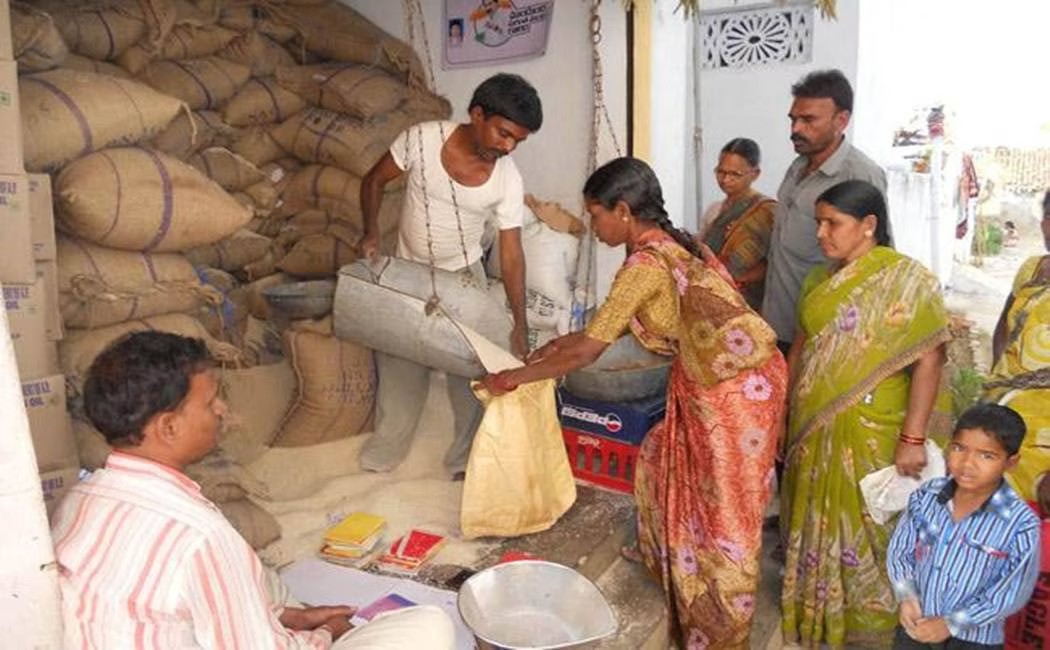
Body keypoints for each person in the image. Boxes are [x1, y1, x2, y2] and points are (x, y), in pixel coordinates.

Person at [481, 157, 787, 648]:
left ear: (622, 211)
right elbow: (604, 327)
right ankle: (673, 559)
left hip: (735, 390)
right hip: (724, 376)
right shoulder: (672, 244)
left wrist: (515, 377)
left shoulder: (646, 264)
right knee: (661, 459)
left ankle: (722, 620)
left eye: (596, 214)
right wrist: (549, 350)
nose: (594, 225)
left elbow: (590, 349)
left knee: (725, 510)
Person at [50, 331, 455, 649]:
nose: (222, 411)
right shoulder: (201, 536)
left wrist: (286, 616)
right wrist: (327, 634)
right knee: (428, 626)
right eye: (210, 404)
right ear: (168, 427)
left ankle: (279, 614)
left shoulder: (79, 499)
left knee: (264, 578)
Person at [781, 180, 953, 648]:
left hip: (875, 431)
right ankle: (819, 615)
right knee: (816, 517)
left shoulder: (907, 279)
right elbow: (802, 345)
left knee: (872, 529)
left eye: (832, 223)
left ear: (868, 225)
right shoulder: (819, 280)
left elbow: (929, 360)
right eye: (818, 221)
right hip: (814, 428)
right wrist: (783, 409)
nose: (821, 233)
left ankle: (873, 630)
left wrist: (913, 438)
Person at [357, 73, 542, 478]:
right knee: (400, 365)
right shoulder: (422, 139)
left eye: (518, 141)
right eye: (503, 133)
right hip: (407, 272)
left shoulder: (507, 177)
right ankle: (384, 455)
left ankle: (462, 461)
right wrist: (371, 230)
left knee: (470, 372)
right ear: (477, 114)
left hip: (464, 276)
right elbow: (373, 180)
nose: (508, 147)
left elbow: (511, 255)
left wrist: (519, 323)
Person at [886, 404, 1040, 649]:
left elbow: (1012, 590)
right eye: (959, 448)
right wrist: (906, 596)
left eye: (986, 455)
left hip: (974, 640)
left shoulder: (1020, 524)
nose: (967, 463)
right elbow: (900, 551)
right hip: (917, 625)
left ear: (1012, 462)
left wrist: (951, 623)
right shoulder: (926, 496)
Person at [762, 69, 888, 354]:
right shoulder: (798, 166)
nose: (796, 129)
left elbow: (874, 261)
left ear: (841, 120)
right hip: (778, 322)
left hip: (823, 333)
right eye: (793, 119)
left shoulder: (859, 174)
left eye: (809, 120)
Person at [985, 189, 1050, 510]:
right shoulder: (1032, 270)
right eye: (1049, 219)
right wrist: (1004, 382)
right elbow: (1003, 330)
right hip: (1008, 416)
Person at [697, 137, 777, 311]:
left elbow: (771, 264)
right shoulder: (715, 209)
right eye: (721, 172)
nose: (725, 180)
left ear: (755, 174)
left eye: (735, 174)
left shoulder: (766, 211)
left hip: (745, 302)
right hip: (710, 294)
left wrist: (732, 279)